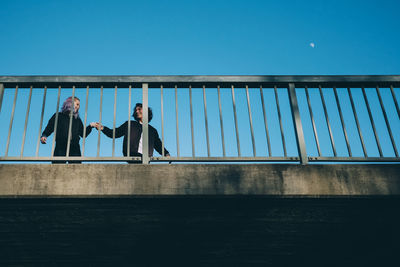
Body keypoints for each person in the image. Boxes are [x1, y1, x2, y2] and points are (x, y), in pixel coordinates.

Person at [96, 103, 170, 160]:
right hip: (132, 156)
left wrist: (166, 153)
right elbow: (115, 133)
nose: (137, 111)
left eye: (139, 109)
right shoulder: (130, 124)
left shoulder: (152, 130)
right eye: (136, 110)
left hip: (146, 159)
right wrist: (103, 128)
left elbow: (158, 144)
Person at [41, 96, 96, 163]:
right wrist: (44, 135)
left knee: (76, 168)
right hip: (61, 145)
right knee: (58, 167)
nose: (78, 107)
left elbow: (83, 134)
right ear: (70, 103)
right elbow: (50, 126)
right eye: (77, 104)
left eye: (79, 105)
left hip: (74, 147)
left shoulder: (77, 119)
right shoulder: (59, 115)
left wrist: (90, 126)